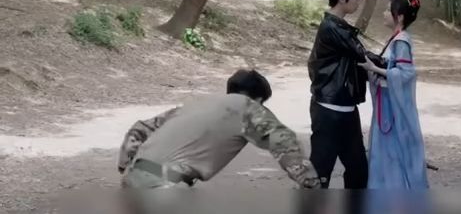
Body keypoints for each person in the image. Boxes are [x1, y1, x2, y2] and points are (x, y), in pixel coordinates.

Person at [117, 69, 320, 189]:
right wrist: (310, 182)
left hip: (135, 175)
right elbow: (284, 142)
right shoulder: (247, 108)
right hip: (166, 184)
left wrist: (125, 164)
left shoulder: (197, 104)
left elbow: (140, 128)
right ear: (258, 99)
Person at [358, 0, 429, 189]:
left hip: (391, 106)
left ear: (399, 17)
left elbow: (405, 73)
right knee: (389, 150)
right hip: (387, 102)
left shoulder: (401, 41)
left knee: (393, 151)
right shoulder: (396, 39)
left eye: (387, 10)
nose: (383, 13)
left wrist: (375, 69)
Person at [307, 0, 369, 189]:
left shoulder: (339, 26)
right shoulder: (332, 28)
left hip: (346, 108)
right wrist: (392, 66)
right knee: (320, 172)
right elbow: (361, 55)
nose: (358, 2)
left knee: (358, 170)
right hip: (329, 109)